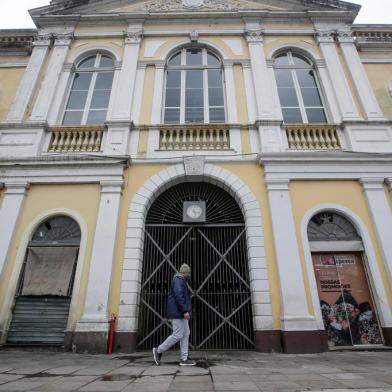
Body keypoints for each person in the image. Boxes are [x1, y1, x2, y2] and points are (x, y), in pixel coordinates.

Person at [152, 263, 196, 366]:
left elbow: (184, 291)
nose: (189, 275)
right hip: (178, 313)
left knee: (186, 333)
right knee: (177, 334)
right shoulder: (178, 281)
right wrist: (185, 310)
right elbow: (179, 296)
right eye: (188, 273)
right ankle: (158, 350)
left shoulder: (182, 280)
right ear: (184, 272)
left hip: (179, 312)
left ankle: (184, 358)